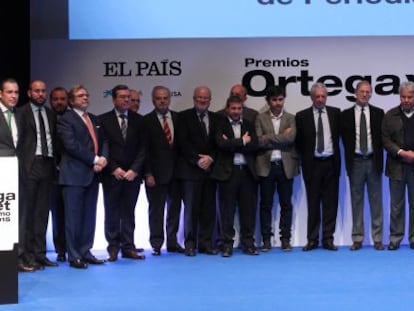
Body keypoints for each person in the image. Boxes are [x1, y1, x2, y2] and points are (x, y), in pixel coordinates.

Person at [57, 85, 108, 268]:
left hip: (93, 174)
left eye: (86, 95)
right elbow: (71, 146)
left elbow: (104, 141)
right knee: (73, 217)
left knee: (89, 217)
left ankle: (86, 251)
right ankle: (74, 255)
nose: (85, 98)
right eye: (80, 96)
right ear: (71, 101)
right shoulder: (65, 120)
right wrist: (94, 159)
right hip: (73, 176)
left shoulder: (94, 119)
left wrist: (103, 159)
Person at [99, 85, 146, 261]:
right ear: (114, 99)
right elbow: (102, 147)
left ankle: (128, 246)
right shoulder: (103, 120)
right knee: (111, 211)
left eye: (129, 97)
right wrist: (114, 168)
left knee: (129, 212)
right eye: (122, 97)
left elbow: (143, 148)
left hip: (132, 176)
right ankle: (113, 247)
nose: (127, 100)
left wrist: (134, 169)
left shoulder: (139, 120)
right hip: (112, 174)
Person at [295, 82, 341, 251]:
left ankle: (328, 239)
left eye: (323, 96)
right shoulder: (302, 116)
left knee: (331, 203)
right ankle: (312, 239)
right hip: (312, 165)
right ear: (312, 97)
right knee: (313, 203)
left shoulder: (336, 114)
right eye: (317, 96)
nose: (321, 99)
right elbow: (298, 143)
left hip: (331, 163)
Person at [211, 95, 259, 257]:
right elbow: (220, 144)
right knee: (227, 211)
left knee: (248, 211)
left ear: (242, 109)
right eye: (233, 108)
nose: (236, 111)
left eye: (239, 108)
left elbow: (254, 145)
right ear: (227, 109)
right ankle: (226, 245)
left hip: (247, 172)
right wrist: (242, 141)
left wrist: (233, 143)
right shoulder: (220, 124)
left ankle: (248, 243)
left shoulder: (249, 124)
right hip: (227, 173)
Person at [19, 80, 58, 269]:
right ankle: (26, 255)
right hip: (30, 165)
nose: (41, 94)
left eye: (43, 91)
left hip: (48, 165)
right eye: (37, 91)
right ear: (29, 93)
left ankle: (40, 254)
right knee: (28, 212)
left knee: (42, 213)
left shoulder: (50, 114)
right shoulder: (21, 113)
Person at [341, 80, 385, 251]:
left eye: (368, 92)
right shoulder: (345, 115)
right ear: (355, 93)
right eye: (362, 91)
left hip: (373, 161)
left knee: (376, 201)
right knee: (356, 200)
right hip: (356, 161)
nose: (365, 94)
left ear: (371, 93)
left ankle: (378, 238)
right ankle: (357, 238)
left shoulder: (379, 113)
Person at [176, 86, 219, 256]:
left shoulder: (217, 118)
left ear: (210, 100)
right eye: (199, 98)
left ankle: (206, 243)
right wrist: (198, 160)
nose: (202, 100)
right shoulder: (183, 117)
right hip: (190, 171)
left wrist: (211, 158)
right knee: (191, 210)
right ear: (194, 99)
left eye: (206, 98)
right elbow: (182, 143)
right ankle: (190, 244)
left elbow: (219, 143)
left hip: (210, 171)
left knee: (209, 209)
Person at [255, 85, 299, 252]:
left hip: (285, 166)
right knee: (266, 204)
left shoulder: (291, 118)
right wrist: (281, 137)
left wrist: (269, 138)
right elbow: (258, 141)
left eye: (280, 99)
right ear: (268, 101)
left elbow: (291, 138)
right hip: (265, 166)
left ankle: (285, 239)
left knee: (286, 204)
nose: (278, 103)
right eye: (274, 100)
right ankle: (266, 239)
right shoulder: (260, 118)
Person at [143, 85, 183, 256]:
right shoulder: (145, 121)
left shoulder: (179, 118)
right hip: (155, 175)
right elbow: (143, 150)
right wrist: (148, 173)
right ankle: (157, 243)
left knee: (174, 209)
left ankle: (173, 242)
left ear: (169, 99)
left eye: (165, 98)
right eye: (159, 98)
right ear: (153, 100)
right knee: (156, 210)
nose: (162, 101)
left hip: (177, 173)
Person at [0, 78, 35, 272]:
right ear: (1, 94)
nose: (13, 96)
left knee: (20, 217)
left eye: (16, 92)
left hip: (18, 173)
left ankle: (18, 258)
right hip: (0, 173)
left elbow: (26, 144)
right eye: (9, 92)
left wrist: (26, 167)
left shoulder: (20, 115)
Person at [382, 81, 414, 250]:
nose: (406, 100)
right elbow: (385, 140)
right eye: (403, 97)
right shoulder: (390, 115)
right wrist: (401, 152)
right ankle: (395, 239)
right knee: (396, 206)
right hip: (396, 166)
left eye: (410, 97)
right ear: (399, 97)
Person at [48, 86, 69, 262]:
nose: (59, 102)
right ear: (51, 101)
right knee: (57, 215)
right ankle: (60, 250)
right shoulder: (46, 118)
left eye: (62, 99)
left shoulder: (74, 118)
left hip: (72, 173)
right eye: (56, 99)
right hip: (52, 175)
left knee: (72, 213)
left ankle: (74, 248)